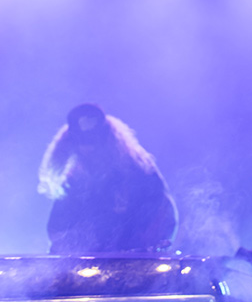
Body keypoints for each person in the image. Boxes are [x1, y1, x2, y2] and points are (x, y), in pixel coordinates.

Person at [38, 103, 178, 254]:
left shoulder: (139, 171)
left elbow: (164, 214)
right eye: (83, 143)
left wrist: (147, 248)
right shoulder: (74, 181)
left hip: (135, 259)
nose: (88, 149)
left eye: (93, 143)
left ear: (108, 139)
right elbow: (56, 228)